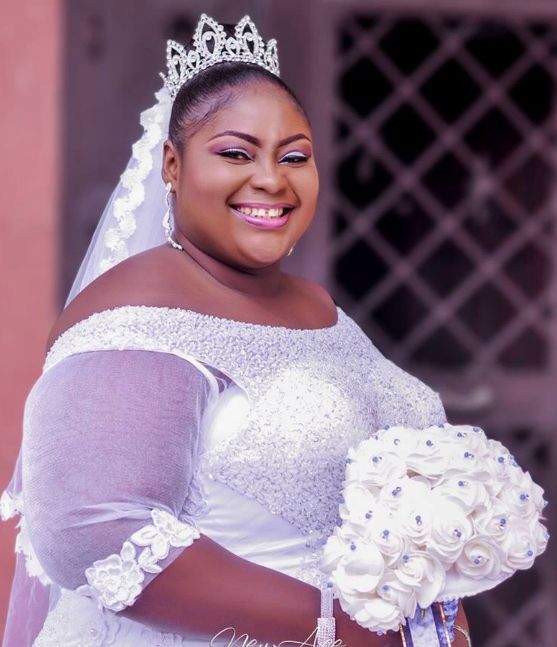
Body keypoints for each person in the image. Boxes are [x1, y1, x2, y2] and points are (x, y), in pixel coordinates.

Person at [1, 14, 469, 647]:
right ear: (172, 165)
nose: (272, 179)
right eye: (235, 153)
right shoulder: (138, 315)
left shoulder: (319, 307)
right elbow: (93, 531)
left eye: (294, 157)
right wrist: (342, 628)